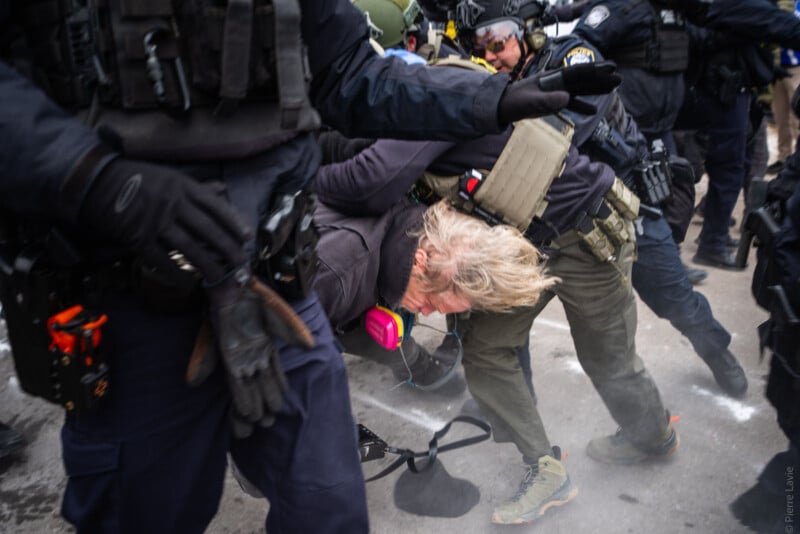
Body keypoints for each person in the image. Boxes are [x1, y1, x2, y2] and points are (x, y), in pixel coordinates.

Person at [0, 0, 613, 531]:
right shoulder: (350, 266)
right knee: (148, 512)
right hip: (132, 293)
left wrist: (493, 98)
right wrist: (95, 178)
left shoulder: (345, 268)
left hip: (277, 281)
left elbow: (350, 74)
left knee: (327, 506)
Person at [457, 0, 748, 397]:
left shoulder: (574, 58)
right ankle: (509, 404)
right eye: (479, 46)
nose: (488, 55)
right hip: (546, 218)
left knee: (673, 296)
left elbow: (562, 131)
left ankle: (718, 354)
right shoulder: (495, 80)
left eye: (496, 42)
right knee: (505, 307)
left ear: (529, 31)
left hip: (621, 202)